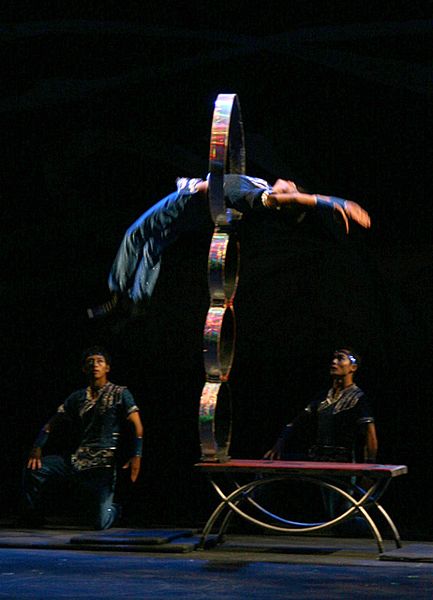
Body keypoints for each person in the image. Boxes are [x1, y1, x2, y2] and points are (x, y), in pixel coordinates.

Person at [88, 175, 371, 316]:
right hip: (193, 213)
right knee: (154, 247)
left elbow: (296, 200)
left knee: (135, 236)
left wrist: (334, 202)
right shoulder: (258, 189)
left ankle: (116, 290)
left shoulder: (259, 198)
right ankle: (137, 300)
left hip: (184, 204)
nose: (292, 184)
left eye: (292, 189)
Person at [23, 346, 143, 529]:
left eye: (100, 361)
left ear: (107, 368)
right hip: (78, 459)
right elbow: (51, 424)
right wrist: (37, 447)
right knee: (36, 468)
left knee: (99, 523)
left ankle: (116, 509)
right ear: (84, 369)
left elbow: (137, 426)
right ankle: (34, 515)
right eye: (90, 362)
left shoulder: (120, 393)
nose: (95, 365)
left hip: (103, 462)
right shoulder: (78, 397)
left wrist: (136, 456)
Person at [264, 348, 378, 464]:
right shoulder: (323, 396)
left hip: (343, 464)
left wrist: (369, 467)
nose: (334, 361)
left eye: (340, 358)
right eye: (334, 358)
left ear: (353, 367)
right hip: (317, 459)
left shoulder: (358, 397)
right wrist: (279, 443)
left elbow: (370, 434)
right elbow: (296, 422)